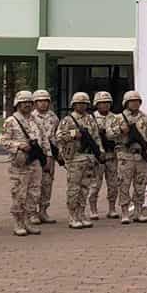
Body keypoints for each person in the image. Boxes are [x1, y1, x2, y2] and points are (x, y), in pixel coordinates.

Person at [0, 90, 45, 236]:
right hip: (20, 163)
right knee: (19, 193)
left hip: (35, 162)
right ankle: (18, 223)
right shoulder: (11, 121)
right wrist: (18, 145)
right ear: (17, 104)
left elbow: (43, 140)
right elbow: (3, 141)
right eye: (24, 103)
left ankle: (28, 221)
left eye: (29, 103)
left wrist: (47, 157)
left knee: (34, 193)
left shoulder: (36, 120)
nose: (27, 105)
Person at [57, 91, 103, 229]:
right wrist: (73, 134)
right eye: (79, 104)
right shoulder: (68, 120)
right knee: (74, 189)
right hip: (75, 158)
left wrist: (100, 152)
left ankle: (81, 214)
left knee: (85, 188)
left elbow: (96, 137)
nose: (82, 106)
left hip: (88, 157)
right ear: (74, 105)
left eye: (84, 104)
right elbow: (59, 135)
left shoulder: (90, 119)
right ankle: (72, 216)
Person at [118, 91, 147, 224]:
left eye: (137, 101)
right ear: (126, 103)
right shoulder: (119, 118)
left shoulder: (145, 118)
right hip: (125, 156)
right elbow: (109, 134)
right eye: (132, 101)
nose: (135, 103)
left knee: (141, 184)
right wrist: (121, 130)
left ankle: (138, 211)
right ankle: (124, 212)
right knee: (124, 184)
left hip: (141, 156)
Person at [90, 91, 122, 220]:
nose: (105, 105)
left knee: (113, 184)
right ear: (96, 104)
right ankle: (93, 210)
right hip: (97, 157)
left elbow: (119, 135)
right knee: (95, 185)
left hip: (112, 155)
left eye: (107, 103)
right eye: (102, 103)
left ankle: (112, 209)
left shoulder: (116, 118)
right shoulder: (90, 118)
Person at [31, 89, 60, 225]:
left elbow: (56, 136)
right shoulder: (30, 117)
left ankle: (43, 210)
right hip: (35, 154)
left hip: (50, 155)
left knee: (47, 183)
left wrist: (58, 152)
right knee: (34, 183)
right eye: (40, 101)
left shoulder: (54, 118)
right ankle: (32, 212)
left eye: (45, 101)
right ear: (35, 103)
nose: (43, 104)